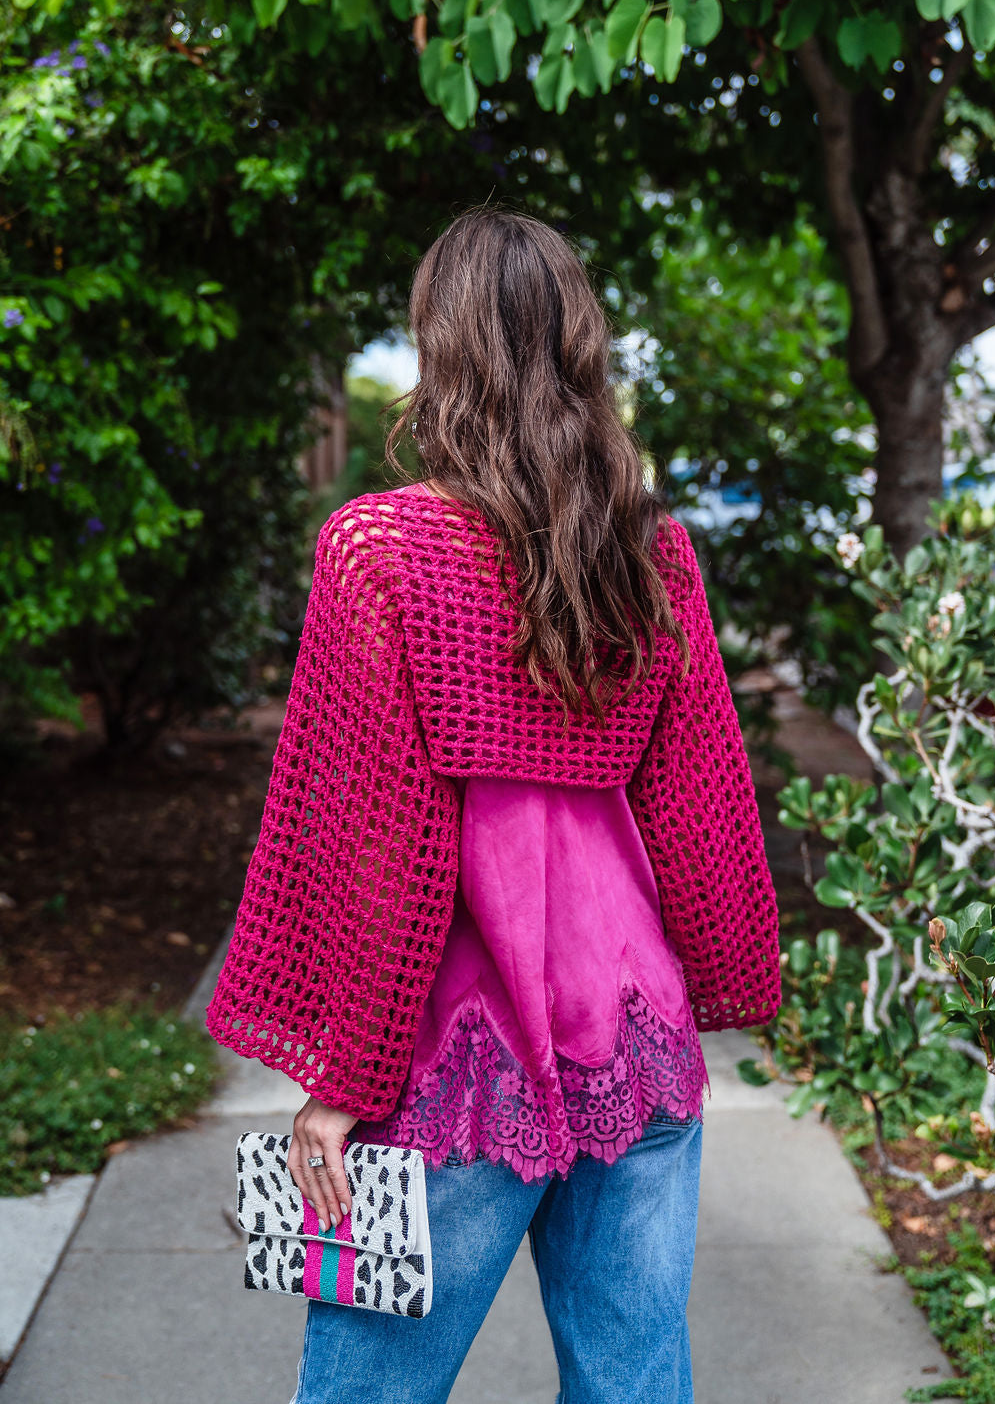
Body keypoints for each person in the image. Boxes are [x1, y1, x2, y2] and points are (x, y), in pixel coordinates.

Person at [206, 205, 781, 1404]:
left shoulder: (378, 548)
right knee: (632, 1386)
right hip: (637, 1041)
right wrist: (731, 978)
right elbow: (701, 804)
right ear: (578, 344)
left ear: (440, 346)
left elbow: (378, 843)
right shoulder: (649, 549)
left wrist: (337, 1086)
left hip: (451, 1058)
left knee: (367, 1390)